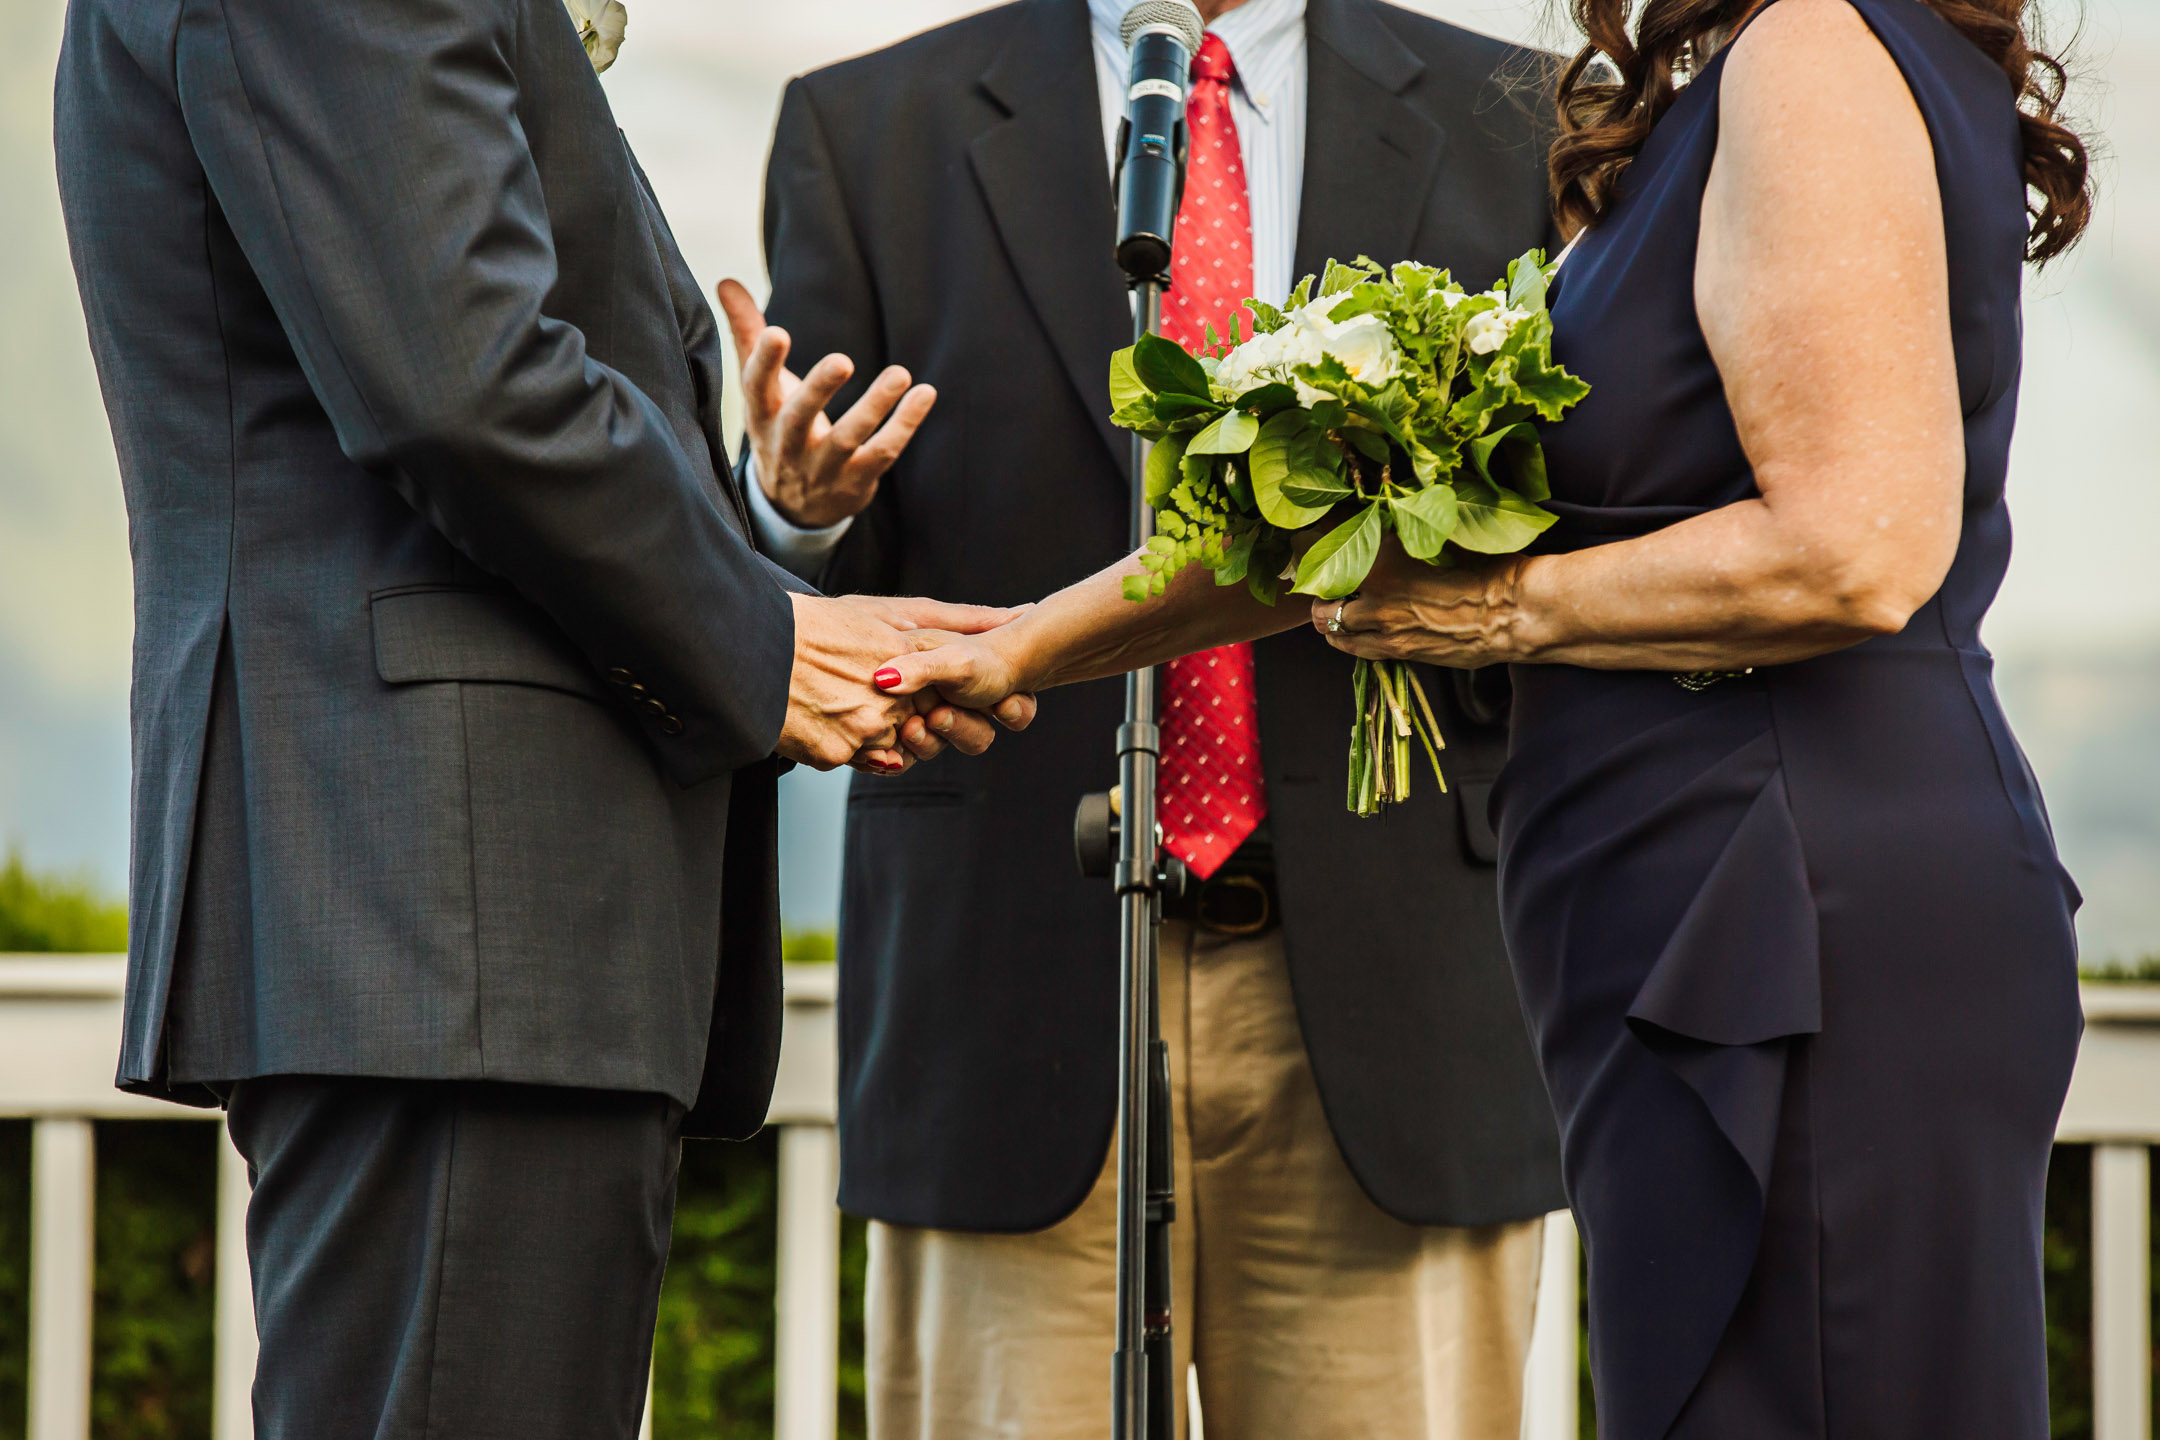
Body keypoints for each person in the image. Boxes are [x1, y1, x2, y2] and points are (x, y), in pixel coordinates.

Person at [872, 0, 2094, 1431]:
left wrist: (1512, 608)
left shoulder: (1815, 45)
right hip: (1704, 909)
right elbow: (1347, 522)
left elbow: (1853, 553)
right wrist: (1023, 647)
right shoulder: (1747, 87)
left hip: (1789, 920)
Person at [52, 2, 1029, 1437]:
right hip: (450, 921)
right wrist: (765, 646)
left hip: (464, 927)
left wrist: (759, 537)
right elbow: (468, 385)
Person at [721, 0, 1566, 1433]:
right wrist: (792, 517)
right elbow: (828, 603)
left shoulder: (1529, 117)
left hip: (1402, 997)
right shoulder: (869, 126)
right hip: (1001, 995)